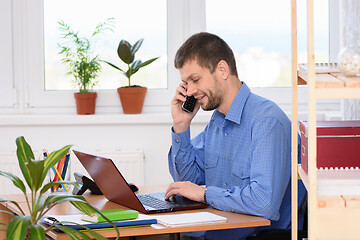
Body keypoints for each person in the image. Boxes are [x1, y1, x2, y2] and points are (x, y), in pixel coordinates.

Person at [165, 32, 307, 240]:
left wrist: (204, 194)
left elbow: (263, 202)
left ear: (222, 70)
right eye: (186, 83)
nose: (191, 91)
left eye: (195, 79)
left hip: (256, 236)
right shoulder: (217, 121)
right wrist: (181, 125)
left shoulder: (266, 121)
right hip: (215, 231)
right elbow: (190, 182)